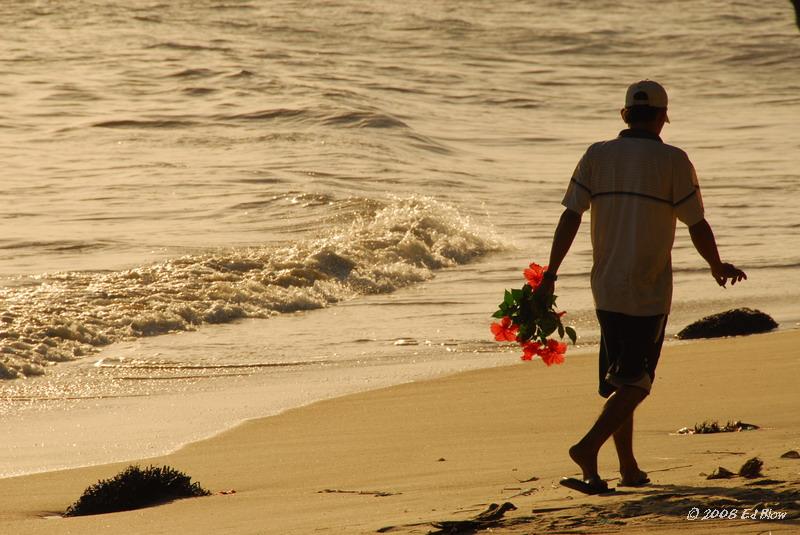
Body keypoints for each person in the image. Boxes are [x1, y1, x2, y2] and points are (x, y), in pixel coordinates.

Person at [538, 80, 747, 495]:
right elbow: (696, 223)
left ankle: (629, 469)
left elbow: (570, 217)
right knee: (638, 382)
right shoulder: (673, 161)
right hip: (649, 288)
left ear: (624, 115)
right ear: (662, 117)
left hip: (606, 285)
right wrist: (715, 264)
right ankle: (587, 447)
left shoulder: (597, 155)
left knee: (621, 380)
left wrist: (550, 274)